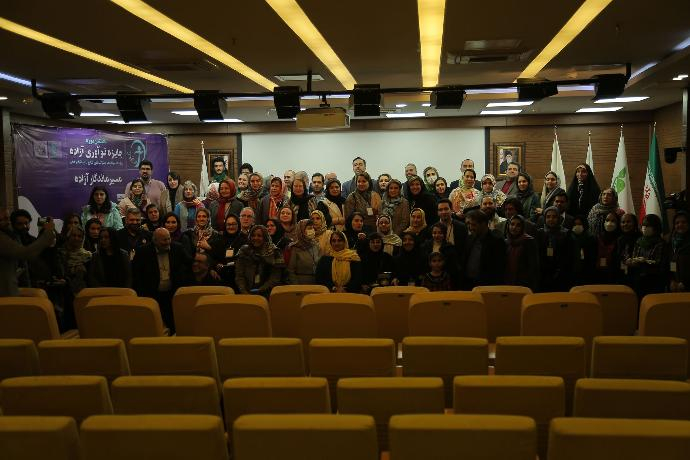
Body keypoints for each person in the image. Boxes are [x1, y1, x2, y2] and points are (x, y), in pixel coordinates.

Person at [132, 228, 192, 333]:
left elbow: (189, 264)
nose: (167, 242)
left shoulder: (177, 248)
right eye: (164, 240)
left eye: (169, 239)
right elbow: (137, 275)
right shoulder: (143, 252)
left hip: (172, 294)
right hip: (151, 295)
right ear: (155, 241)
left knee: (173, 324)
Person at [0, 208, 56, 296]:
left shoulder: (22, 239)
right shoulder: (6, 239)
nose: (24, 227)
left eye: (7, 218)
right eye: (2, 220)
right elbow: (26, 254)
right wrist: (48, 232)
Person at [461, 210, 507, 289]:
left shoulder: (496, 241)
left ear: (484, 224)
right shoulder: (469, 238)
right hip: (468, 284)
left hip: (487, 286)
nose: (470, 227)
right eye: (468, 224)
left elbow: (499, 268)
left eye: (473, 224)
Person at [235, 225, 285, 296]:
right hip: (245, 293)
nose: (256, 238)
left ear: (265, 237)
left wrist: (260, 290)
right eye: (253, 235)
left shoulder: (274, 252)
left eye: (259, 236)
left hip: (268, 293)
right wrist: (244, 291)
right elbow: (239, 275)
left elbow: (275, 278)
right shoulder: (244, 251)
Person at [627, 214, 667, 300]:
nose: (645, 227)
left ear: (655, 227)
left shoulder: (661, 243)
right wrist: (631, 261)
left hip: (654, 282)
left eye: (648, 225)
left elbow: (660, 263)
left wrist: (645, 262)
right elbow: (634, 257)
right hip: (638, 281)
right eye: (643, 225)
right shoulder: (639, 241)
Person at [59, 225, 92, 327]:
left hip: (83, 295)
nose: (76, 238)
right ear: (68, 236)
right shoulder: (60, 254)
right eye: (73, 235)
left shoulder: (87, 256)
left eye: (79, 236)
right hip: (64, 296)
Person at [537, 207, 574, 292]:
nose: (551, 219)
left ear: (559, 218)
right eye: (548, 217)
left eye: (554, 217)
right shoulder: (540, 233)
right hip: (543, 275)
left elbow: (569, 257)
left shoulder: (566, 234)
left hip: (562, 275)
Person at [504, 215, 540, 291]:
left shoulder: (529, 242)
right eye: (512, 224)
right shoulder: (506, 242)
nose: (514, 227)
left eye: (518, 225)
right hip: (507, 283)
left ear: (523, 227)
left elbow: (533, 266)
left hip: (523, 284)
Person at [421, 222, 460, 288]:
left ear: (444, 234)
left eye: (440, 233)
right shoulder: (425, 245)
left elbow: (453, 266)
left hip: (445, 279)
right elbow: (423, 262)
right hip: (428, 278)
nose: (437, 235)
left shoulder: (449, 247)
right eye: (434, 233)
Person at [216, 213, 247, 288]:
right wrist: (216, 264)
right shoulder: (219, 240)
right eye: (228, 224)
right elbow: (214, 257)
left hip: (239, 277)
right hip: (221, 277)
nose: (231, 227)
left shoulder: (245, 240)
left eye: (234, 224)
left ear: (238, 225)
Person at [286, 219, 320, 285]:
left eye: (313, 228)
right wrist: (297, 286)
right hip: (301, 284)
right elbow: (290, 271)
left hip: (316, 284)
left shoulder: (316, 245)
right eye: (309, 228)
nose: (312, 230)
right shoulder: (295, 248)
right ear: (301, 230)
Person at [593, 211, 622, 284]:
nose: (609, 223)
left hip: (614, 276)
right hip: (597, 274)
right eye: (607, 220)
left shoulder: (620, 239)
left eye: (613, 221)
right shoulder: (597, 237)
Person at [570, 215, 597, 286]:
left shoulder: (590, 238)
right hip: (572, 273)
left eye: (579, 224)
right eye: (575, 224)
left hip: (587, 273)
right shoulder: (569, 238)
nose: (577, 226)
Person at [668, 211, 690, 292]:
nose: (680, 225)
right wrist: (672, 280)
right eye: (677, 223)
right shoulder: (672, 242)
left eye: (684, 222)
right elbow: (672, 262)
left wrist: (685, 283)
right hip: (677, 286)